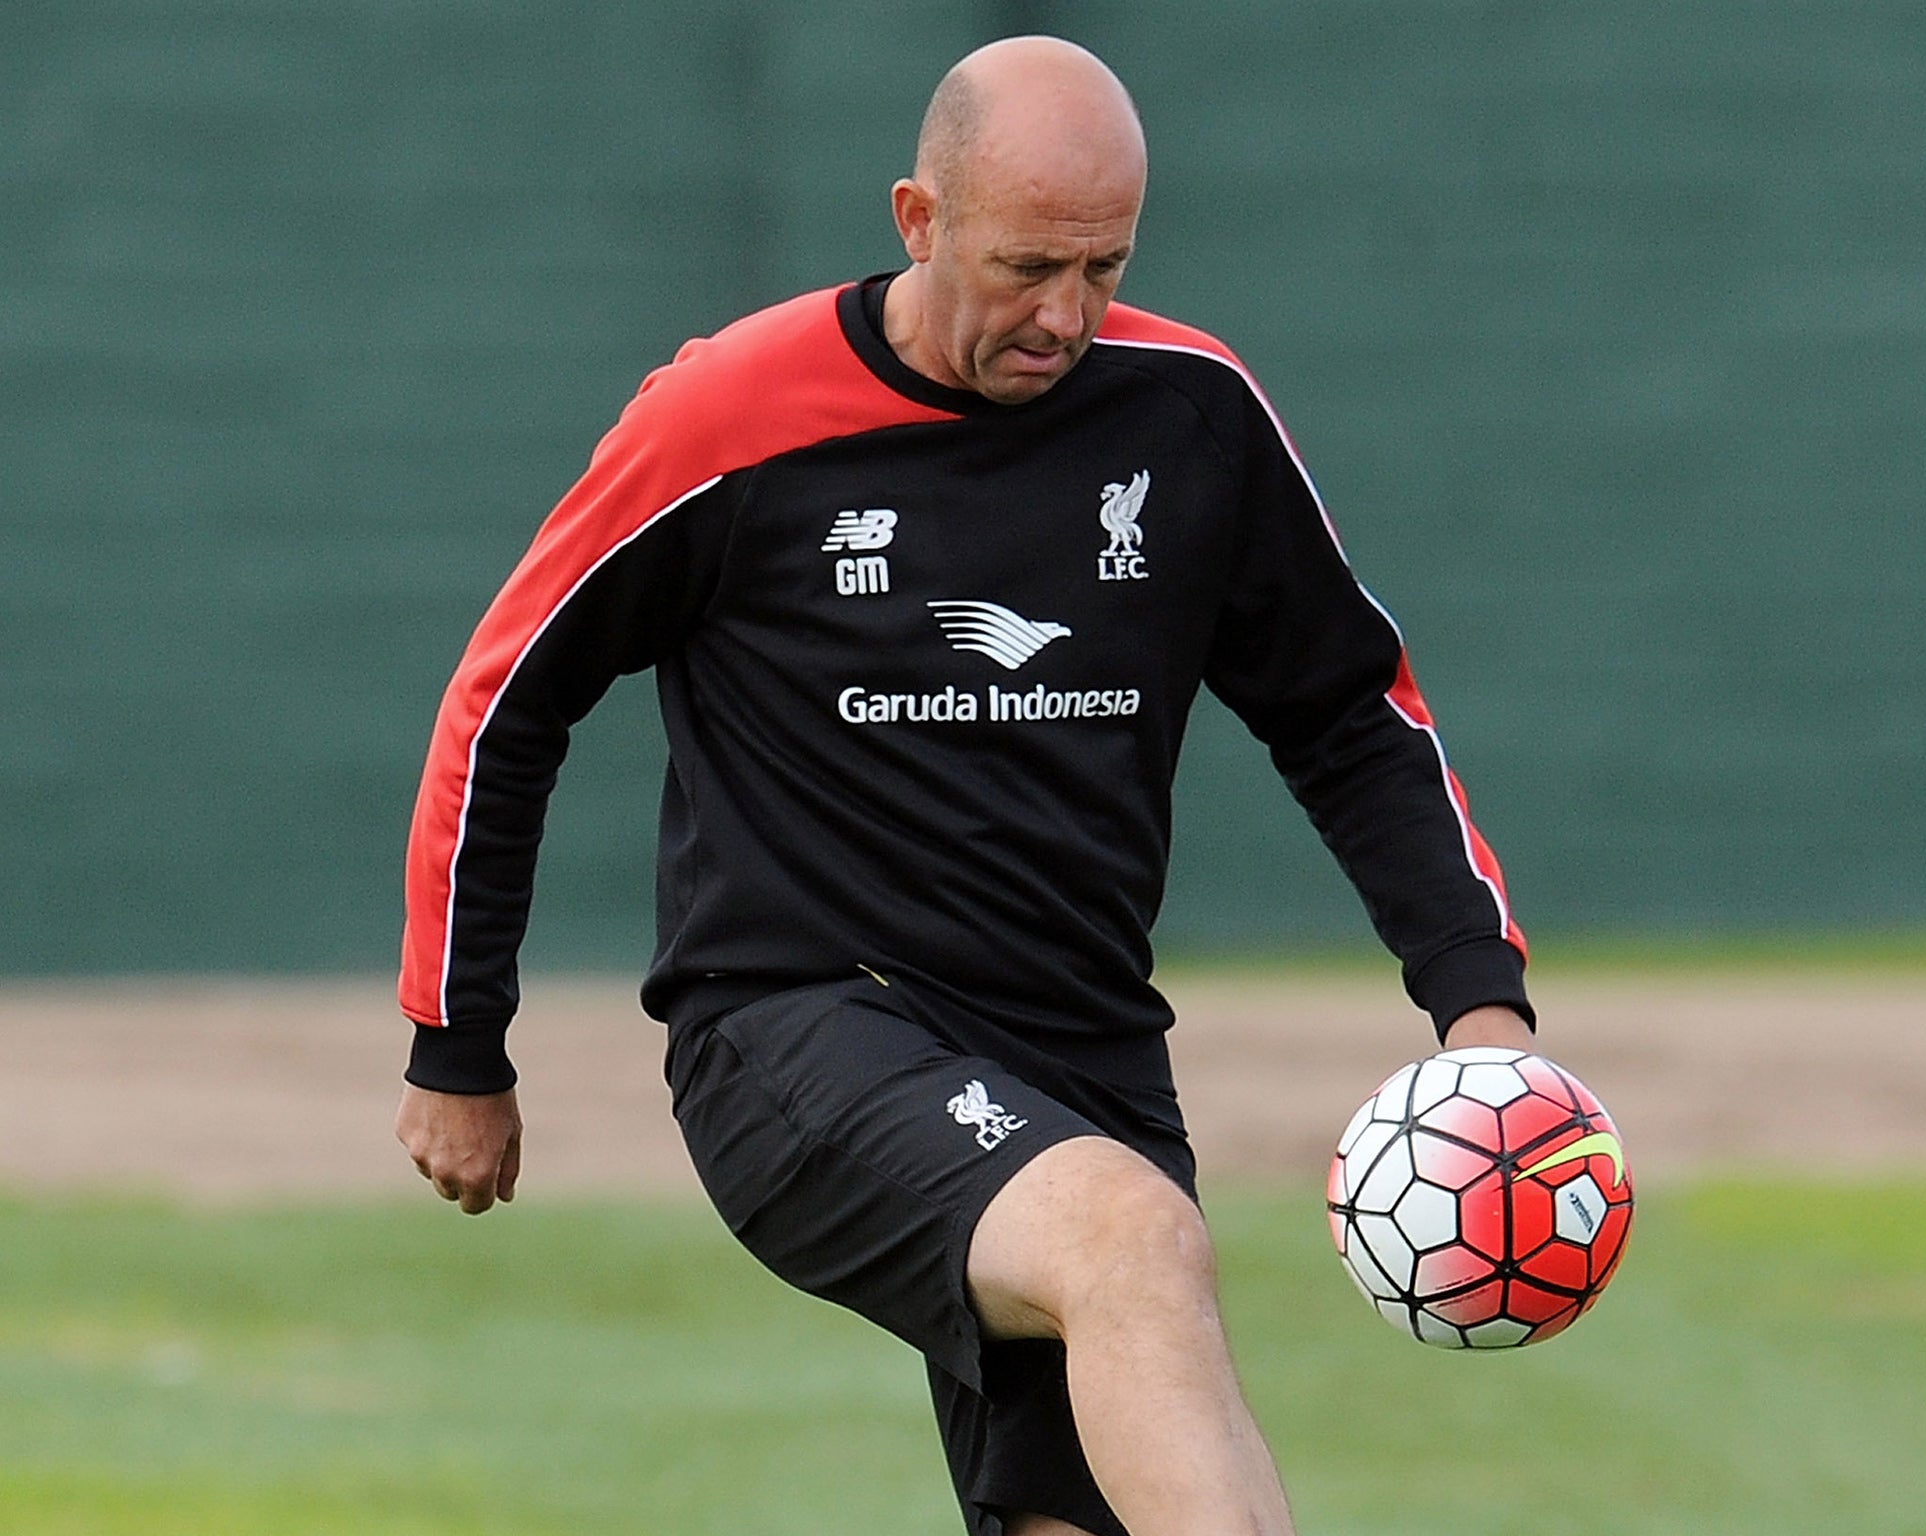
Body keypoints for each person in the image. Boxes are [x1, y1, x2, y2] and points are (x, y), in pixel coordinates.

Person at [395, 35, 1536, 1536]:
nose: (1064, 315)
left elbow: (1349, 713)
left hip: (1082, 1047)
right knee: (1133, 1243)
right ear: (918, 220)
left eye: (1103, 267)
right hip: (797, 1020)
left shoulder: (1190, 415)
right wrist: (456, 1039)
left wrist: (1483, 1014)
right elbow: (506, 699)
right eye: (1025, 266)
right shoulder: (730, 415)